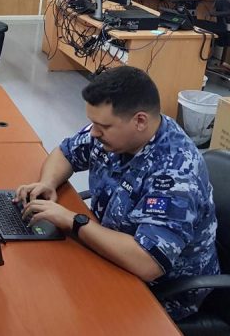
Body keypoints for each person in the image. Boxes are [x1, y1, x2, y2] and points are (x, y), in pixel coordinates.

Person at [15, 66, 219, 321]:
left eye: (102, 126)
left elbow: (147, 263)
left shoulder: (175, 173)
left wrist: (73, 221)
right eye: (93, 123)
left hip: (160, 294)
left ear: (140, 121)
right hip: (110, 252)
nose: (93, 133)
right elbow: (64, 153)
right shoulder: (112, 133)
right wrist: (48, 182)